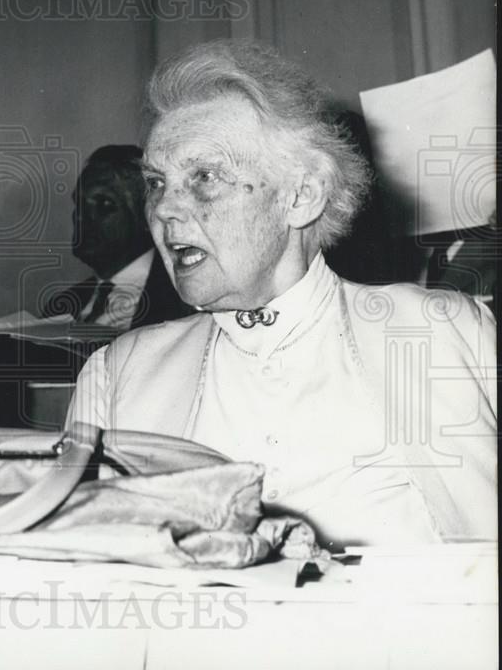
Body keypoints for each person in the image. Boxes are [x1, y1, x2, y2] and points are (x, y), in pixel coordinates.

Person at [67, 40, 497, 548]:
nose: (164, 209)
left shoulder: (446, 332)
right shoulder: (118, 374)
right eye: (157, 183)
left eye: (203, 177)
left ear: (301, 196)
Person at [41, 145, 191, 330]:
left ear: (147, 216)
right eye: (79, 203)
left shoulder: (183, 302)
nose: (80, 216)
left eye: (104, 204)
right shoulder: (60, 307)